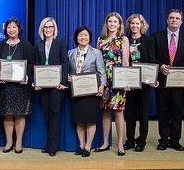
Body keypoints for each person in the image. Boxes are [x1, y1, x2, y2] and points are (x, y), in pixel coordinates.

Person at [152, 8, 184, 152]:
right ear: (167, 20)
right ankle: (164, 140)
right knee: (163, 111)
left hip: (181, 83)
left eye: (177, 18)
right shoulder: (156, 36)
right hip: (162, 82)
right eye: (171, 18)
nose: (174, 20)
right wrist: (160, 66)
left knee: (177, 112)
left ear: (181, 21)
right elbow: (151, 57)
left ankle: (176, 140)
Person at [0, 17, 35, 154]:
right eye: (9, 27)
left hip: (21, 87)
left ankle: (18, 142)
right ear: (5, 29)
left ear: (19, 29)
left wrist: (28, 77)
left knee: (19, 114)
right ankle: (9, 142)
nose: (11, 29)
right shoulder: (0, 45)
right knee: (7, 114)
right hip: (5, 86)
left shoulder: (26, 46)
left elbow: (31, 65)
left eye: (14, 27)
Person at [68, 26, 106, 158]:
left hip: (92, 92)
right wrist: (68, 77)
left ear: (89, 37)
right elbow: (69, 71)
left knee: (90, 120)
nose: (83, 37)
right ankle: (81, 145)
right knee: (79, 120)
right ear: (76, 38)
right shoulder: (70, 53)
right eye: (80, 35)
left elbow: (101, 72)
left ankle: (88, 146)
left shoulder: (96, 53)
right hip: (76, 92)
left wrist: (102, 86)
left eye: (86, 35)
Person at [95, 12, 130, 156]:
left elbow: (126, 62)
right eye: (110, 21)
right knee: (105, 111)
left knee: (119, 112)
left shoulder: (124, 39)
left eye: (115, 22)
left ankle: (120, 144)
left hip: (118, 79)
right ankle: (105, 142)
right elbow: (96, 61)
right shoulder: (100, 39)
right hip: (104, 80)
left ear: (119, 24)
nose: (112, 24)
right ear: (106, 23)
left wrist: (125, 81)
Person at [34, 17, 69, 157]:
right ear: (42, 29)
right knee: (47, 115)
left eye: (51, 27)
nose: (48, 29)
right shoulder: (38, 44)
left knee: (55, 114)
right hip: (43, 85)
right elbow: (36, 64)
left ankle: (53, 146)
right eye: (45, 27)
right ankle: (48, 144)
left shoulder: (60, 43)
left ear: (54, 29)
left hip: (56, 86)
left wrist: (63, 82)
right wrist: (36, 81)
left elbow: (65, 63)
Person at [124, 14, 157, 152]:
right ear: (129, 25)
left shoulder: (148, 40)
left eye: (137, 24)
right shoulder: (125, 40)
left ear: (142, 25)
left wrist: (153, 79)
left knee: (143, 113)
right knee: (129, 113)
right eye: (132, 23)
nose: (134, 26)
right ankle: (130, 140)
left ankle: (141, 140)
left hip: (144, 82)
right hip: (129, 81)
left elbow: (152, 60)